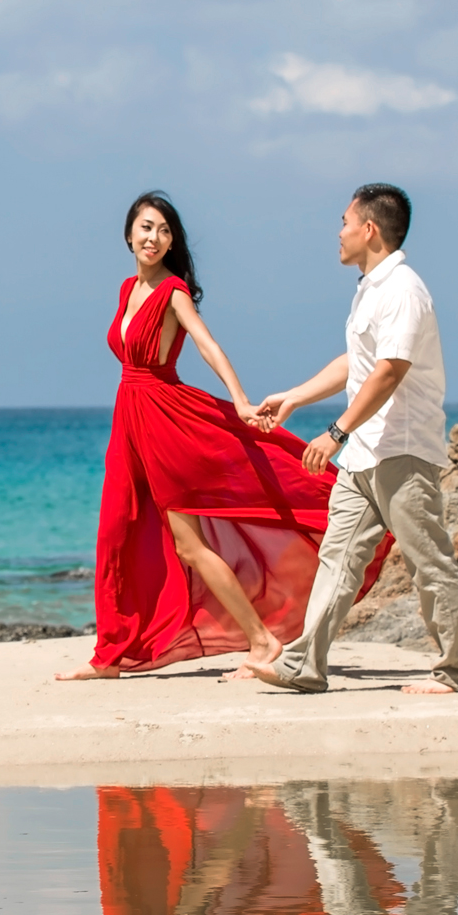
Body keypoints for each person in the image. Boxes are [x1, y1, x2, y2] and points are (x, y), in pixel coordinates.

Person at [59, 192, 374, 680]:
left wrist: (242, 400)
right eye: (146, 228)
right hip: (129, 423)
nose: (153, 238)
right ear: (128, 235)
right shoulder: (127, 289)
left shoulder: (173, 291)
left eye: (163, 231)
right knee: (118, 531)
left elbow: (207, 345)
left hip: (165, 420)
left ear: (171, 243)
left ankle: (262, 639)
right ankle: (113, 653)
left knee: (188, 544)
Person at [237, 183, 458, 696]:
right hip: (365, 453)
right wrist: (294, 398)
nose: (339, 231)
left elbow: (390, 372)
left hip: (403, 450)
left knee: (428, 561)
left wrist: (334, 432)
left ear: (369, 229)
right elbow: (358, 364)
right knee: (338, 557)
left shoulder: (404, 290)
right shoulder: (371, 289)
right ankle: (304, 664)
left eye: (345, 221)